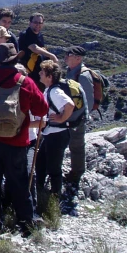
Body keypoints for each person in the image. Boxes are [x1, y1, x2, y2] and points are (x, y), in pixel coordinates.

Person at [0, 43, 48, 235]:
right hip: (17, 142)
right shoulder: (26, 82)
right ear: (16, 60)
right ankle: (26, 222)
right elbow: (42, 109)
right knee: (19, 182)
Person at [36, 61, 74, 197]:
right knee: (41, 162)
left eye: (42, 72)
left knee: (54, 167)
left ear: (50, 76)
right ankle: (40, 190)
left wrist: (62, 119)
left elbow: (70, 104)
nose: (39, 74)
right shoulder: (50, 90)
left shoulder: (55, 92)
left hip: (58, 135)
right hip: (52, 133)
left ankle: (55, 196)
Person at [63, 46, 94, 188]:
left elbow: (87, 101)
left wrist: (73, 117)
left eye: (69, 55)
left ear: (78, 58)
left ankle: (77, 173)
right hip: (70, 116)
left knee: (77, 146)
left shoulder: (82, 76)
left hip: (76, 118)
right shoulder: (71, 72)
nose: (66, 57)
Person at [18, 13, 58, 90]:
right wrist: (52, 56)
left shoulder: (40, 35)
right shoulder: (25, 34)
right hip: (29, 74)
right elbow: (34, 48)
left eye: (40, 23)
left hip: (40, 74)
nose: (38, 25)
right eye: (35, 22)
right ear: (30, 23)